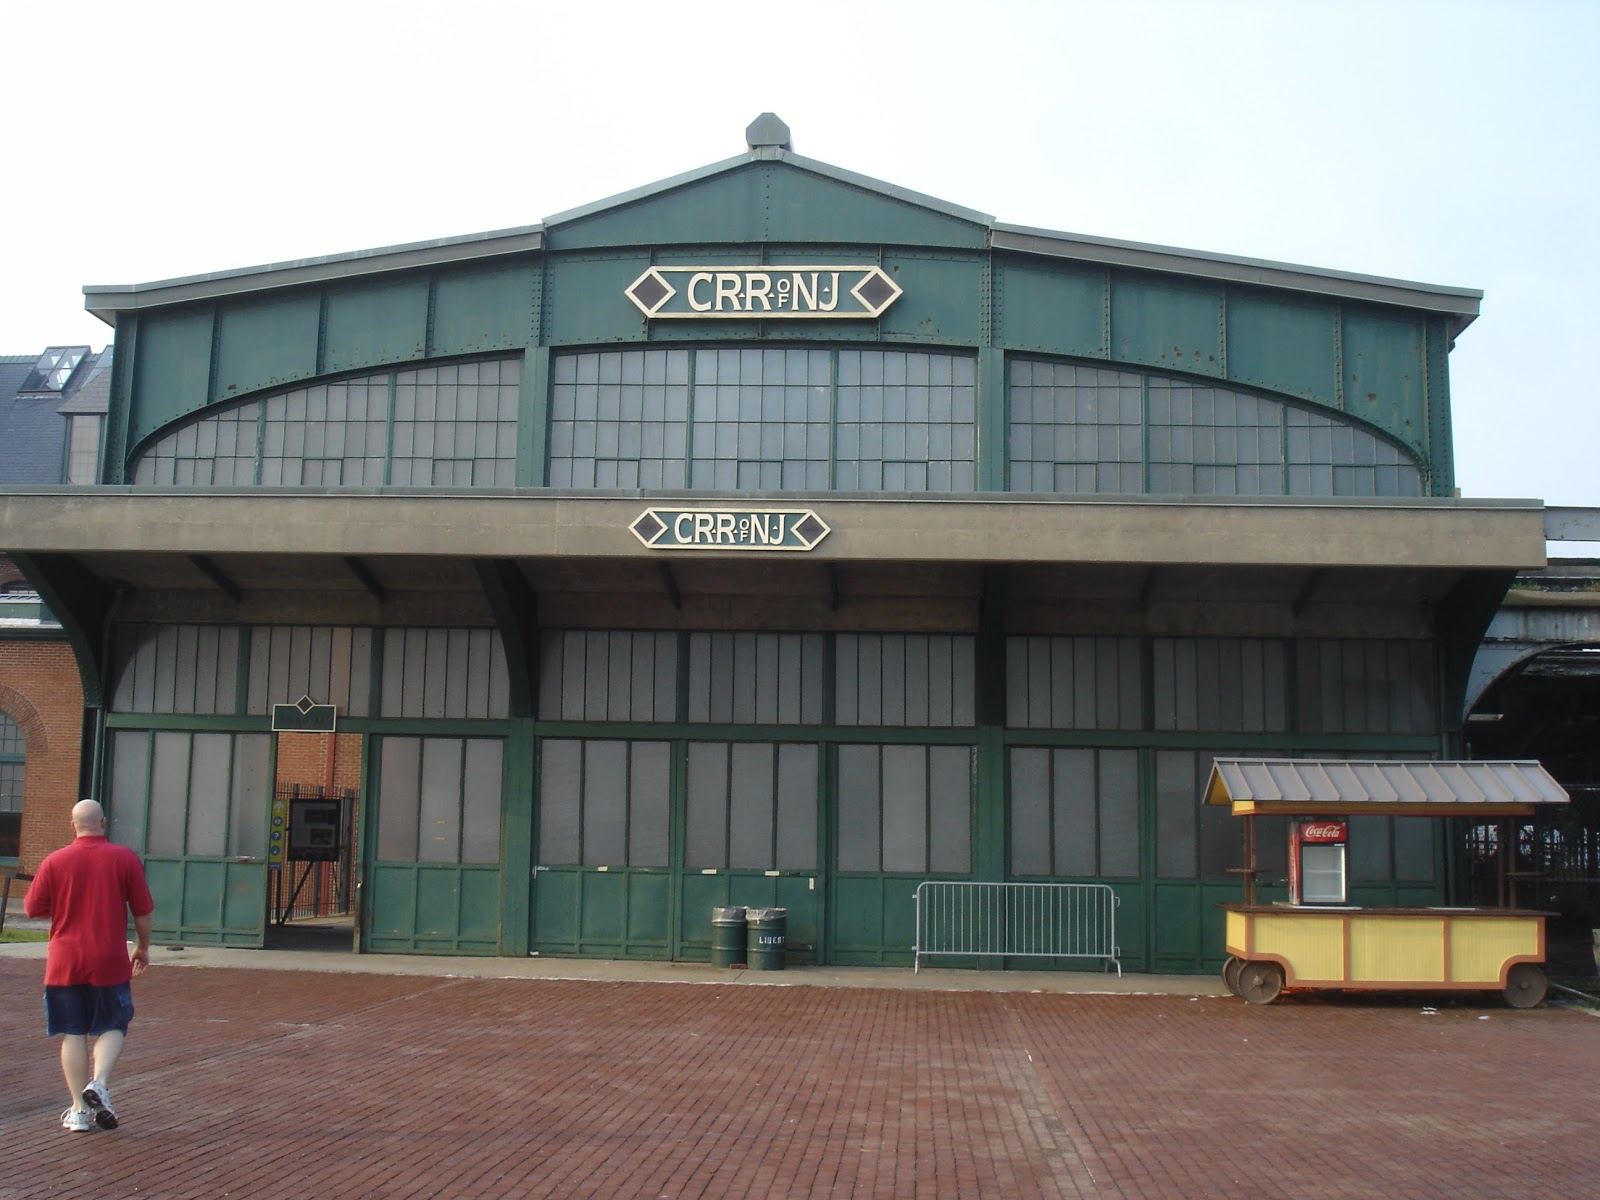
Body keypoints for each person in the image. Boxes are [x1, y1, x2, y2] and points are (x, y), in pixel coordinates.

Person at [24, 798, 155, 1133]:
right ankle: (98, 1082)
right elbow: (142, 909)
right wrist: (142, 947)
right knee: (113, 1024)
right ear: (103, 823)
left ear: (72, 825)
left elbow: (32, 908)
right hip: (109, 959)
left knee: (73, 1032)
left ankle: (79, 1111)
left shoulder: (55, 861)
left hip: (64, 960)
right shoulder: (124, 858)